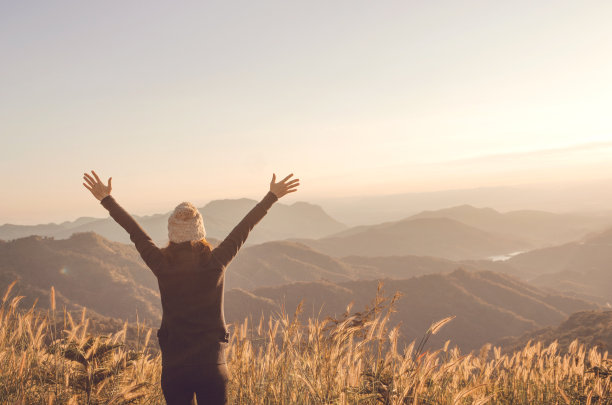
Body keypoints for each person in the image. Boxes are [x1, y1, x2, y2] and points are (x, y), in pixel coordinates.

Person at [82, 170, 299, 405]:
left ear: (171, 232)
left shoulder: (161, 264)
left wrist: (107, 200)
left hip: (175, 369)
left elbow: (136, 233)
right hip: (212, 366)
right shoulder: (216, 262)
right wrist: (271, 196)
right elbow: (243, 229)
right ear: (200, 229)